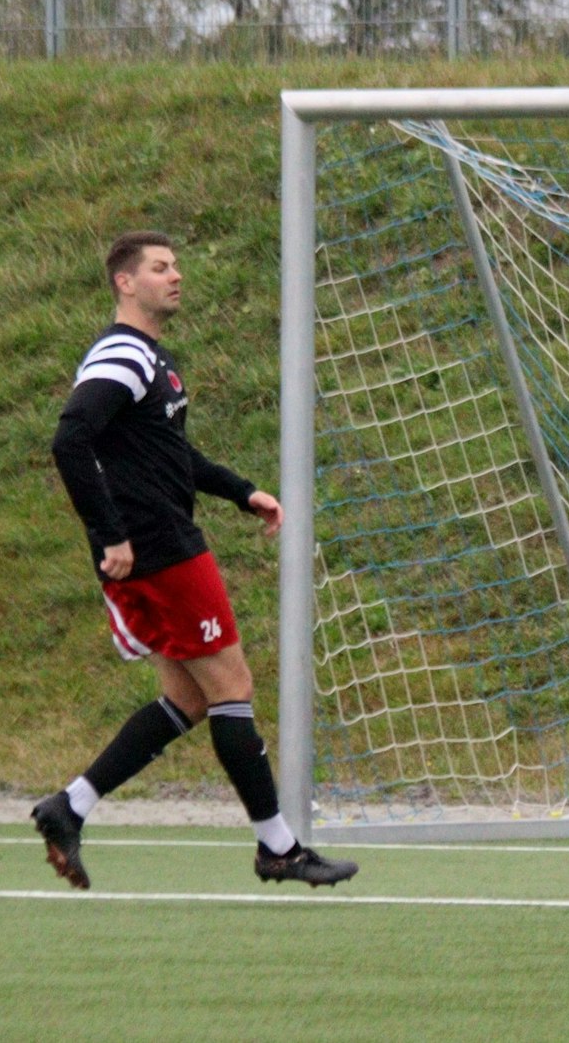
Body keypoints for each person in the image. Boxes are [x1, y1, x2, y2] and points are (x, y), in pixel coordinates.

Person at [34, 230, 356, 890]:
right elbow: (70, 438)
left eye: (177, 264)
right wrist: (112, 533)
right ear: (126, 282)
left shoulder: (154, 359)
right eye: (159, 267)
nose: (175, 275)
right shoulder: (122, 353)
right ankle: (279, 848)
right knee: (231, 688)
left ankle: (69, 805)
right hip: (160, 549)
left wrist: (242, 492)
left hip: (160, 541)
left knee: (186, 697)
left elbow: (171, 456)